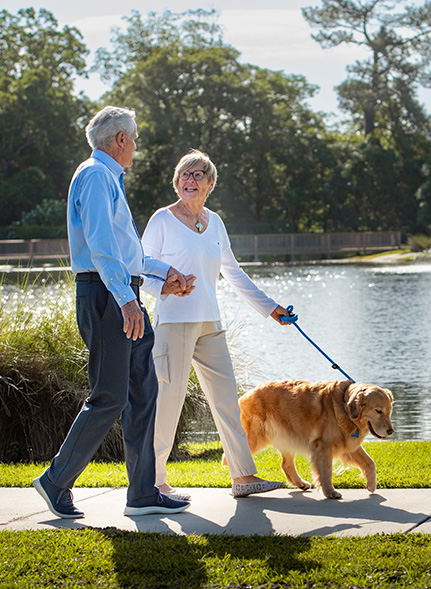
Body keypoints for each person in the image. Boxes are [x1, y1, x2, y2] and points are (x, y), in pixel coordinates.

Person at [33, 106, 196, 519]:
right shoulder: (94, 175)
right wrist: (126, 300)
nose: (136, 145)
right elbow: (102, 247)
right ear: (119, 139)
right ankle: (55, 480)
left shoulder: (107, 178)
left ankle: (142, 494)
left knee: (143, 392)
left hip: (122, 293)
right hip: (108, 298)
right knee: (109, 396)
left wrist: (164, 273)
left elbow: (128, 253)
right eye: (135, 137)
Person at [140, 149, 291, 498]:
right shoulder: (162, 220)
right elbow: (140, 266)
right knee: (169, 401)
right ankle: (154, 482)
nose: (189, 181)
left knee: (226, 400)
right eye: (184, 175)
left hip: (210, 322)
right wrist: (161, 287)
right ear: (177, 181)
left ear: (210, 184)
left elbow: (233, 273)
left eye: (197, 175)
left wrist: (269, 308)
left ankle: (242, 477)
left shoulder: (215, 222)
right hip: (173, 323)